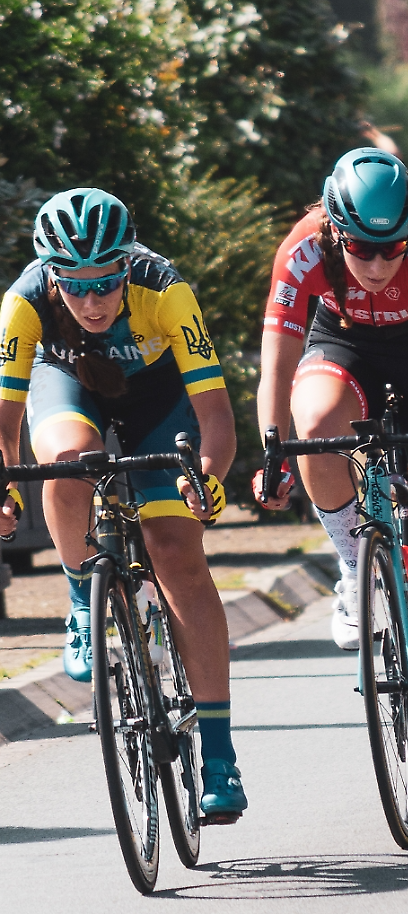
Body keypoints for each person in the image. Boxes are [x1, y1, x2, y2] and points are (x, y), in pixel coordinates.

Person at [253, 147, 408, 783]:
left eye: (391, 249)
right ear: (336, 229)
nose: (378, 263)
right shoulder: (303, 249)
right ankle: (351, 561)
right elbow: (276, 366)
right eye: (362, 249)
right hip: (344, 345)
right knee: (313, 428)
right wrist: (272, 448)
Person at [0, 188, 246, 820]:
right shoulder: (24, 302)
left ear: (126, 265)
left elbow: (216, 415)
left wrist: (210, 479)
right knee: (69, 461)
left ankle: (218, 755)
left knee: (177, 555)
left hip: (159, 401)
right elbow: (4, 424)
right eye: (75, 286)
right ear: (52, 277)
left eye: (105, 284)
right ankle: (83, 594)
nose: (91, 301)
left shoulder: (164, 289)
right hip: (69, 391)